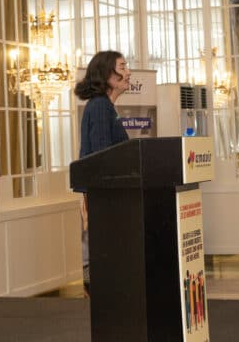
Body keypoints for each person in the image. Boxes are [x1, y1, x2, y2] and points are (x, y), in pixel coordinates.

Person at [73, 50, 132, 294]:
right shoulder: (99, 107)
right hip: (104, 197)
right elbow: (101, 157)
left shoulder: (105, 107)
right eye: (122, 67)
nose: (128, 72)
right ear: (107, 74)